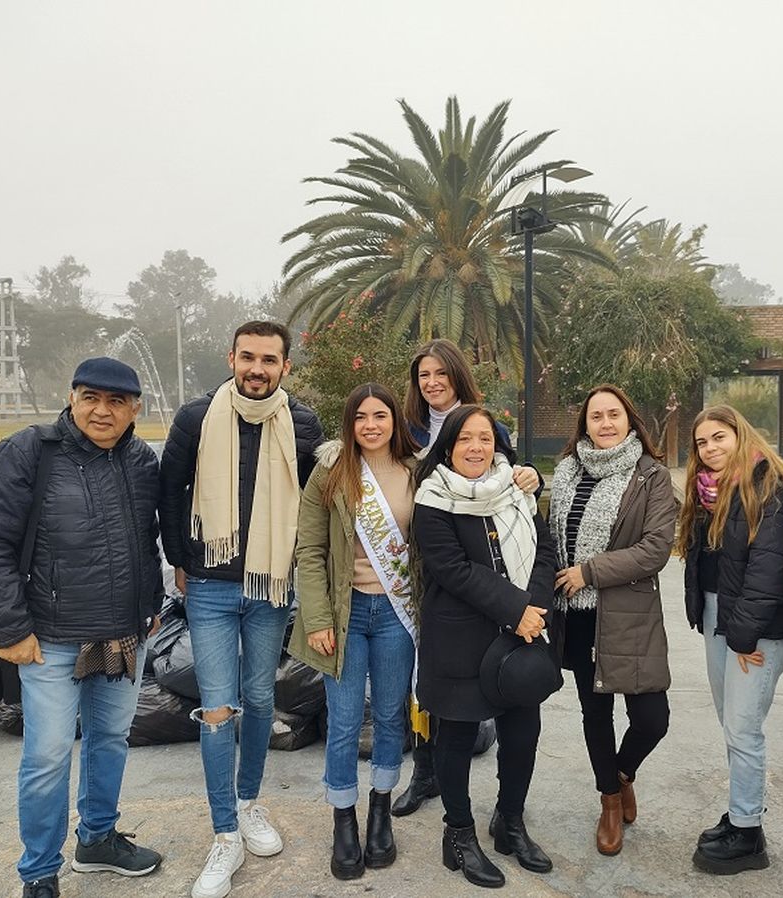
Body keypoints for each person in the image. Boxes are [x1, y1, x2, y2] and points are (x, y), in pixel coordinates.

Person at [0, 357, 164, 898]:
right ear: (71, 397)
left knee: (110, 741)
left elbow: (145, 540)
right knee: (48, 756)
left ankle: (97, 839)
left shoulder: (142, 460)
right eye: (91, 397)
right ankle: (39, 872)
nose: (102, 411)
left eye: (116, 402)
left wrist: (152, 603)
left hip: (122, 635)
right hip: (51, 637)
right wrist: (9, 629)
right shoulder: (30, 451)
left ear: (135, 409)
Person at [158, 321, 323, 898]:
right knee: (217, 707)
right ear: (231, 357)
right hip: (210, 584)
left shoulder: (303, 424)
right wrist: (180, 558)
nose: (257, 368)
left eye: (269, 360)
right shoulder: (195, 417)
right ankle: (224, 834)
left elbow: (316, 502)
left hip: (270, 586)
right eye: (248, 357)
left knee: (259, 699)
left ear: (285, 367)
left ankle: (249, 803)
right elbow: (169, 489)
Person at [412, 404, 558, 888]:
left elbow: (545, 550)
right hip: (458, 639)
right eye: (465, 439)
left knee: (522, 732)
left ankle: (509, 822)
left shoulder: (517, 491)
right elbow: (452, 569)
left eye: (485, 438)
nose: (476, 447)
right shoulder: (432, 497)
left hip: (519, 636)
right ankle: (459, 835)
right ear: (449, 447)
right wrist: (515, 610)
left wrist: (532, 611)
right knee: (454, 738)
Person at [395, 338, 538, 818]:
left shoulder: (488, 427)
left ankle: (502, 812)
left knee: (489, 702)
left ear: (457, 374)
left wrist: (531, 476)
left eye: (441, 373)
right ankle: (424, 773)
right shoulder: (408, 430)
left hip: (483, 578)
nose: (432, 383)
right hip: (418, 564)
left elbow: (513, 483)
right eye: (423, 376)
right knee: (428, 678)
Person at [290, 383, 419, 880]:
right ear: (350, 422)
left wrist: (519, 476)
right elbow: (309, 550)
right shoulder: (330, 471)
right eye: (361, 415)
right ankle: (343, 818)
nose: (371, 424)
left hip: (395, 614)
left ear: (395, 420)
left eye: (380, 415)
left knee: (389, 718)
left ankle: (380, 811)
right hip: (343, 616)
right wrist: (318, 618)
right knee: (343, 724)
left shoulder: (415, 471)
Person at [548, 384, 677, 857]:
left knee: (651, 718)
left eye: (613, 415)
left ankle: (622, 775)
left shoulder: (652, 477)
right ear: (584, 423)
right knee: (594, 713)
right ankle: (608, 800)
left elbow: (655, 549)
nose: (604, 423)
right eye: (595, 416)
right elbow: (550, 537)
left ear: (629, 420)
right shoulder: (565, 472)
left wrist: (589, 572)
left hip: (628, 614)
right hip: (576, 618)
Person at [678, 405, 783, 875]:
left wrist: (744, 637)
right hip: (718, 615)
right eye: (702, 442)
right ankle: (741, 814)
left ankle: (748, 836)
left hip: (753, 628)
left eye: (719, 437)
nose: (710, 449)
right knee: (733, 724)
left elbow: (768, 571)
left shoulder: (768, 487)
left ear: (739, 434)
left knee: (744, 728)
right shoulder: (710, 491)